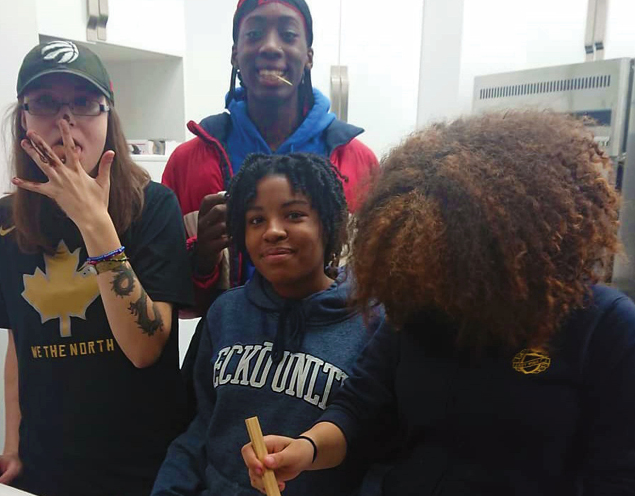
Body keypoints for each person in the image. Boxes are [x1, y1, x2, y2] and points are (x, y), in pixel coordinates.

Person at [242, 111, 635, 495]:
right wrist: (306, 449)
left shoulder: (604, 328)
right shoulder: (420, 308)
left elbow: (618, 476)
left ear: (516, 245)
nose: (443, 290)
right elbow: (360, 409)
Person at [0, 40, 194, 496]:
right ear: (24, 118)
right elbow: (20, 344)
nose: (64, 121)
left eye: (83, 104)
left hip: (144, 467)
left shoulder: (152, 207)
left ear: (107, 116)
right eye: (46, 104)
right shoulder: (4, 222)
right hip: (46, 465)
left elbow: (145, 347)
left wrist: (94, 223)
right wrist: (12, 446)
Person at [152, 153, 381, 495]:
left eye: (294, 215)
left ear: (329, 223)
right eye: (256, 220)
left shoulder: (372, 322)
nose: (273, 231)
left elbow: (376, 446)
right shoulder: (225, 312)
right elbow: (200, 427)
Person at [162, 0, 379, 316]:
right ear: (235, 54)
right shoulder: (189, 163)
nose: (270, 47)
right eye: (254, 34)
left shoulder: (357, 162)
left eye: (289, 35)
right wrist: (203, 259)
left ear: (309, 56)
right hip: (231, 355)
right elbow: (176, 307)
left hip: (334, 358)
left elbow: (376, 290)